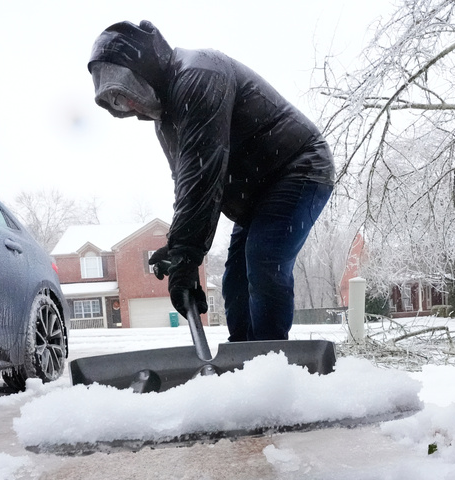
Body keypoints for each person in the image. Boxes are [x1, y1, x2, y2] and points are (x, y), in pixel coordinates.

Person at [88, 20, 334, 342]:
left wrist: (187, 258)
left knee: (263, 260)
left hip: (296, 167)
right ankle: (244, 363)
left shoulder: (200, 75)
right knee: (235, 283)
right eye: (118, 101)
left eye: (127, 91)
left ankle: (273, 363)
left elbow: (204, 176)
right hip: (255, 194)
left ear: (145, 69)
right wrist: (178, 247)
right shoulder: (166, 120)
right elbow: (188, 184)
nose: (129, 105)